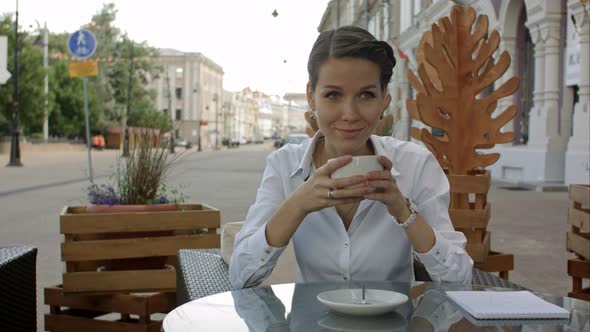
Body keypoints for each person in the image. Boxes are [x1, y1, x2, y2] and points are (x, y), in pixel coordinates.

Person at [229, 26, 473, 289]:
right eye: (333, 95)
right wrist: (296, 205)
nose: (350, 113)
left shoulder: (415, 164)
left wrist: (403, 211)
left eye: (366, 95)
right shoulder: (284, 165)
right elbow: (241, 276)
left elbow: (460, 278)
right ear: (312, 97)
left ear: (384, 100)